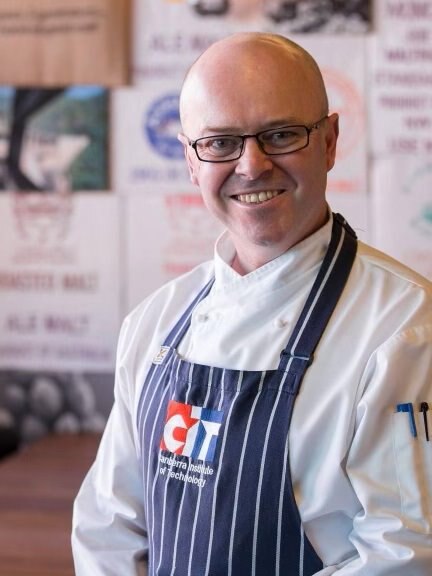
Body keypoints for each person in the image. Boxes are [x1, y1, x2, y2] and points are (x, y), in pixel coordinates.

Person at [72, 32, 432, 575]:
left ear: (330, 141)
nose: (252, 165)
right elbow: (109, 526)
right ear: (191, 161)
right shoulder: (154, 323)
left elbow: (404, 555)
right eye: (220, 143)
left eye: (281, 134)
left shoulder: (404, 328)